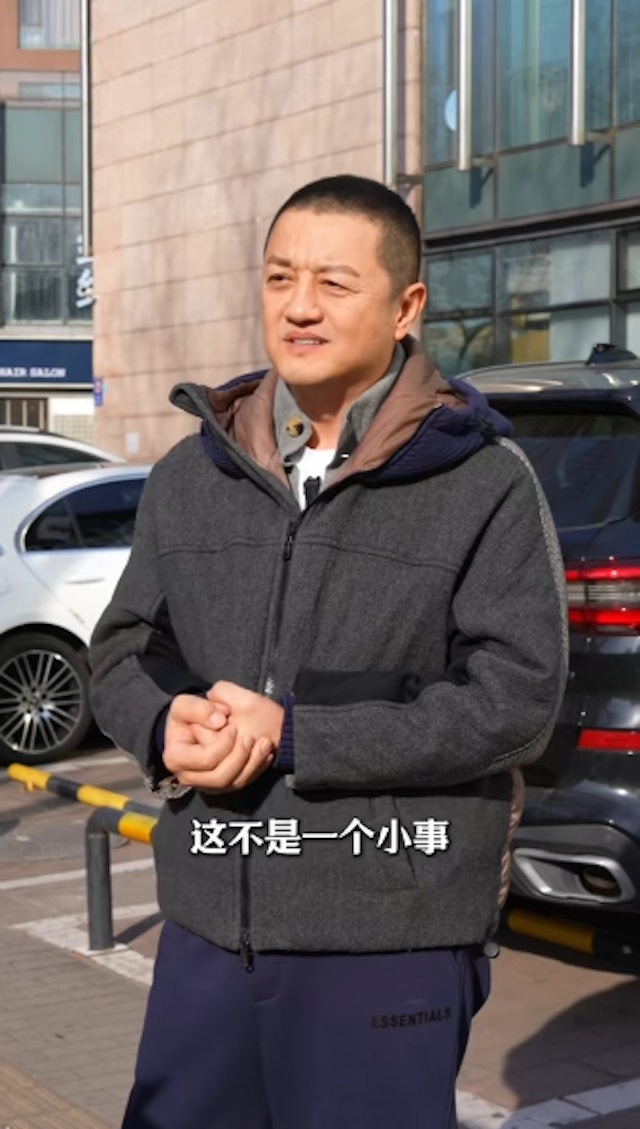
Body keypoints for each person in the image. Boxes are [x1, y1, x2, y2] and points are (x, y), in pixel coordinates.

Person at [89, 174, 567, 1129]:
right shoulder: (192, 474)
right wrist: (161, 721)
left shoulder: (483, 482)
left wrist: (300, 735)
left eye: (333, 283)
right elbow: (123, 648)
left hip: (389, 938)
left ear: (405, 307)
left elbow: (516, 700)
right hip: (208, 928)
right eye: (280, 278)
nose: (299, 306)